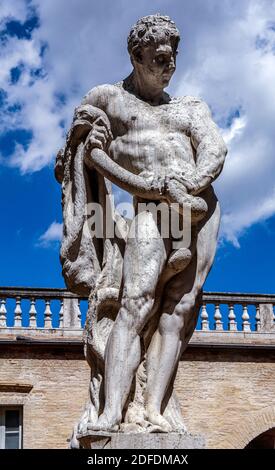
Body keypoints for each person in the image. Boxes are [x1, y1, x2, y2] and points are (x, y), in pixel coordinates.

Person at [58, 14, 227, 434]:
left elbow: (215, 148)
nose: (168, 67)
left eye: (172, 58)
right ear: (136, 55)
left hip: (199, 205)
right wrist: (143, 183)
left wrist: (189, 182)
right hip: (150, 208)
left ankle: (153, 409)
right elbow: (72, 157)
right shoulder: (107, 99)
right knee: (134, 304)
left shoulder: (191, 107)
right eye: (158, 58)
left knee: (180, 308)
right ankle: (111, 412)